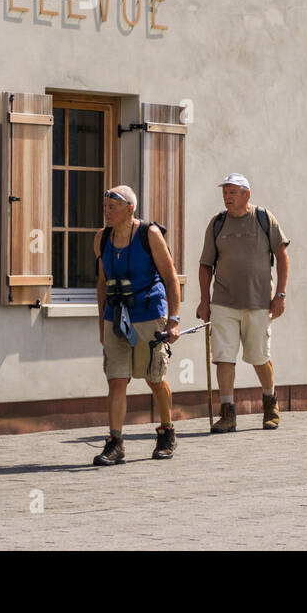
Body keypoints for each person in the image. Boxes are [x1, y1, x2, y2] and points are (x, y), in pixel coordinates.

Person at [93, 186, 182, 466]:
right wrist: (101, 321)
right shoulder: (102, 237)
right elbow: (101, 282)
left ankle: (166, 431)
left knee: (153, 377)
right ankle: (115, 442)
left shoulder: (149, 235)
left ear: (129, 209)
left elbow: (170, 278)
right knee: (116, 379)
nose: (107, 211)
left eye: (112, 207)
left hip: (148, 313)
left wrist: (174, 320)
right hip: (116, 316)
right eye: (105, 206)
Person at [198, 174, 290, 433]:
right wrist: (205, 301)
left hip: (260, 301)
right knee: (223, 358)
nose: (227, 197)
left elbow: (282, 257)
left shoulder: (263, 218)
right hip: (224, 302)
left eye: (233, 192)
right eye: (225, 192)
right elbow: (205, 265)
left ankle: (270, 404)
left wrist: (280, 295)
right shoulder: (217, 223)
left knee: (259, 357)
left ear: (246, 194)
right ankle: (228, 414)